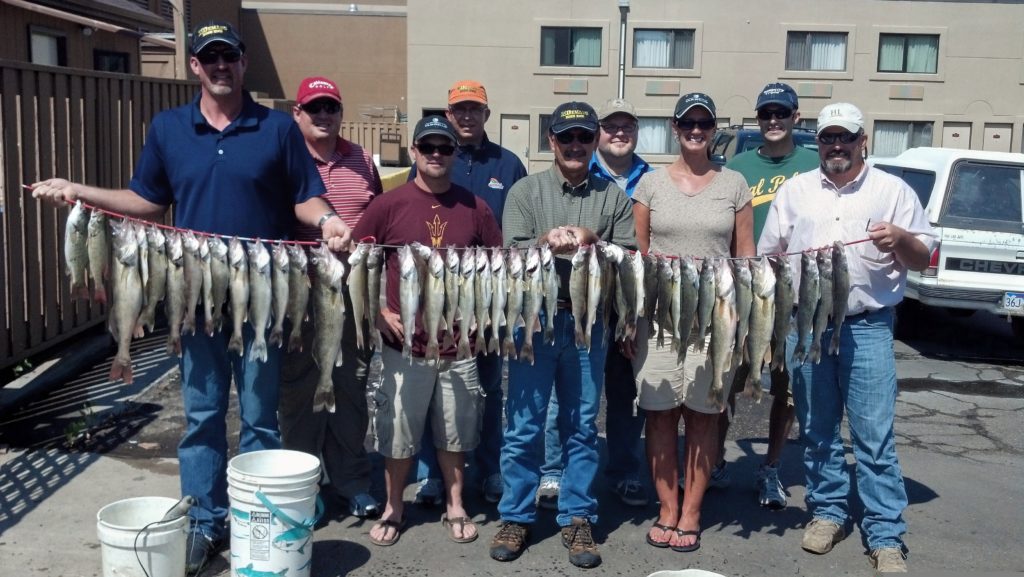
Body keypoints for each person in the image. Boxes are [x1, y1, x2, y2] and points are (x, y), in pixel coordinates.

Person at [30, 21, 351, 574]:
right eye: (210, 57)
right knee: (202, 416)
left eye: (229, 56)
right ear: (195, 66)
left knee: (260, 418)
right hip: (194, 297)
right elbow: (146, 200)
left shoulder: (277, 128)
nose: (221, 65)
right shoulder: (168, 128)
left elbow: (306, 197)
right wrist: (78, 191)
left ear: (243, 62)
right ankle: (204, 520)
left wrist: (329, 221)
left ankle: (258, 518)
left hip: (262, 297)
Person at [759, 102, 933, 573]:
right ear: (818, 142)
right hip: (807, 326)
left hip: (868, 327)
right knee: (817, 431)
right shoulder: (794, 191)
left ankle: (885, 534)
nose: (837, 145)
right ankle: (828, 512)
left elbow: (922, 257)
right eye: (828, 137)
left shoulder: (892, 191)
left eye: (846, 137)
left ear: (863, 141)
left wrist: (900, 238)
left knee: (874, 437)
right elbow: (769, 256)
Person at [489, 101, 636, 569]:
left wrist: (594, 239)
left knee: (582, 425)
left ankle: (577, 516)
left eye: (584, 137)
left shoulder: (613, 196)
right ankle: (516, 515)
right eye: (566, 137)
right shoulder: (525, 191)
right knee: (523, 425)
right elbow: (510, 253)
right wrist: (541, 242)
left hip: (589, 323)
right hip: (534, 320)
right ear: (551, 140)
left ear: (595, 142)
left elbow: (629, 255)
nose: (575, 145)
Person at [353, 115, 503, 547]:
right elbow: (358, 264)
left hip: (459, 346)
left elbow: (496, 269)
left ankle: (455, 504)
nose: (437, 154)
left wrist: (483, 315)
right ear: (414, 151)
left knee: (455, 430)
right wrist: (378, 312)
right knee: (398, 430)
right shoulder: (388, 204)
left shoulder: (476, 207)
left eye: (445, 147)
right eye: (428, 147)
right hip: (405, 346)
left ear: (456, 153)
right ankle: (393, 506)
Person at [629, 92, 754, 552]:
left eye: (704, 124)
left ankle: (691, 513)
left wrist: (743, 325)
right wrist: (632, 320)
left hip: (715, 318)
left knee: (703, 416)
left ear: (713, 130)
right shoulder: (650, 184)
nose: (696, 131)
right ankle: (667, 508)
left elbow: (745, 256)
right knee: (660, 414)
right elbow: (638, 256)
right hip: (658, 320)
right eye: (688, 123)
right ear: (675, 128)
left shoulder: (734, 184)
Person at [411, 80, 527, 507]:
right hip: (438, 292)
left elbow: (517, 230)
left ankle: (490, 469)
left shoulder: (508, 164)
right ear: (448, 113)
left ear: (486, 114)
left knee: (489, 387)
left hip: (491, 295)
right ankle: (431, 475)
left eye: (474, 109)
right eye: (459, 109)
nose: (466, 116)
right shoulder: (434, 157)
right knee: (435, 384)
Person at [538, 97, 652, 510]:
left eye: (627, 126)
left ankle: (623, 472)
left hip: (624, 302)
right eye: (611, 126)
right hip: (575, 306)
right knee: (564, 398)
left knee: (625, 395)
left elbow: (636, 250)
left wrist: (632, 317)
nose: (619, 133)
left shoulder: (651, 180)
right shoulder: (581, 170)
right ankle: (554, 470)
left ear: (636, 131)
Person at [278, 76, 383, 519]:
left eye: (331, 107)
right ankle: (304, 484)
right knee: (300, 387)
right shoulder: (285, 156)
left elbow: (376, 217)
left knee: (352, 383)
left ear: (341, 112)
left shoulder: (362, 159)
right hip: (301, 288)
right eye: (314, 107)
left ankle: (352, 481)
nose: (323, 115)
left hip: (354, 288)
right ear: (297, 113)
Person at [716, 82, 819, 509]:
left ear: (797, 117)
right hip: (741, 291)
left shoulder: (815, 164)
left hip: (794, 296)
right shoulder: (738, 166)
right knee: (725, 380)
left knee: (787, 387)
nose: (773, 120)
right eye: (765, 114)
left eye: (781, 113)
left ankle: (771, 466)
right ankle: (715, 459)